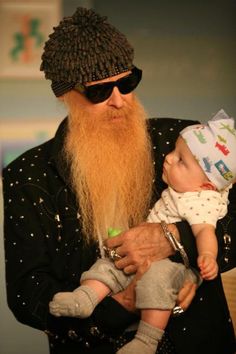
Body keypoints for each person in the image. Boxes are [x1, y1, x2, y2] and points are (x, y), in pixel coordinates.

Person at [2, 7, 236, 354]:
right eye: (100, 92)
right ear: (66, 95)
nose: (119, 101)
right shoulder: (27, 175)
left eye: (127, 83)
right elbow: (27, 294)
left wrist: (176, 239)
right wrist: (123, 302)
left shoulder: (182, 141)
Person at [48, 110, 236, 354]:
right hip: (146, 259)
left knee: (157, 281)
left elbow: (205, 233)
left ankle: (146, 341)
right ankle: (85, 297)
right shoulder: (183, 188)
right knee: (111, 264)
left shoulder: (203, 202)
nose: (168, 158)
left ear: (207, 184)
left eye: (180, 161)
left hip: (176, 267)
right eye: (174, 152)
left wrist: (208, 256)